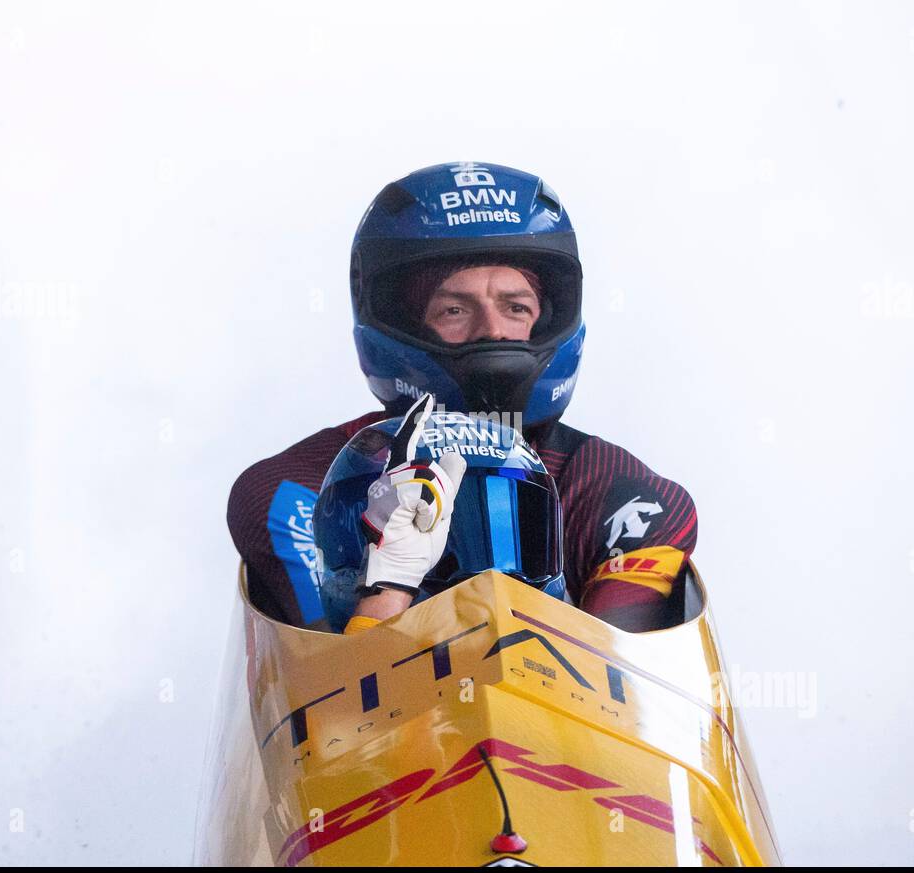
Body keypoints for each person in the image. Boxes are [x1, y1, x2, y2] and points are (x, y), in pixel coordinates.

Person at [227, 162, 697, 633]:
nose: (493, 332)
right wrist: (384, 589)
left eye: (516, 307)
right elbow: (323, 678)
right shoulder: (292, 490)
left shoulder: (626, 496)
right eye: (454, 309)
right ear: (401, 326)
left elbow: (624, 680)